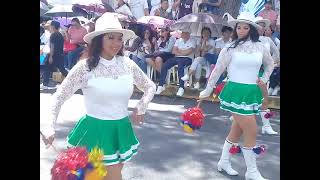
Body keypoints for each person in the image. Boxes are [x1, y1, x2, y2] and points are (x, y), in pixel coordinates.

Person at [41, 13, 156, 180]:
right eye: (111, 38)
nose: (117, 43)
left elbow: (150, 86)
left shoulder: (128, 64)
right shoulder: (84, 68)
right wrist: (49, 126)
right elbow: (59, 96)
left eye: (119, 38)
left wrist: (141, 107)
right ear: (99, 39)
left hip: (120, 130)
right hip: (94, 132)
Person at [199, 12, 274, 180]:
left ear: (252, 29)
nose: (241, 30)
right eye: (238, 27)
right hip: (234, 92)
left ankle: (224, 162)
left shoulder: (261, 46)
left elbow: (270, 64)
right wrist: (208, 88)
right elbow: (218, 69)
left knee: (237, 130)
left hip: (251, 92)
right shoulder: (230, 47)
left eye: (245, 27)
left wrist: (263, 79)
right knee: (252, 129)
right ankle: (251, 171)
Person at [156, 29, 196, 96]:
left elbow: (189, 52)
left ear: (188, 34)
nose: (183, 34)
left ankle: (181, 87)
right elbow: (173, 51)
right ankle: (161, 85)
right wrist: (182, 52)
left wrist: (180, 51)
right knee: (165, 64)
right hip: (177, 57)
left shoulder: (193, 41)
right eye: (182, 32)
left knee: (181, 65)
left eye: (185, 33)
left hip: (188, 59)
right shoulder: (178, 40)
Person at [40, 21, 68, 89]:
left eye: (50, 25)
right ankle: (73, 80)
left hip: (53, 54)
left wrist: (51, 57)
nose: (49, 27)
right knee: (62, 69)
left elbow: (52, 47)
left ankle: (45, 84)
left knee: (47, 67)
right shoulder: (59, 34)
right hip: (59, 54)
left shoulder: (53, 35)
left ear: (52, 26)